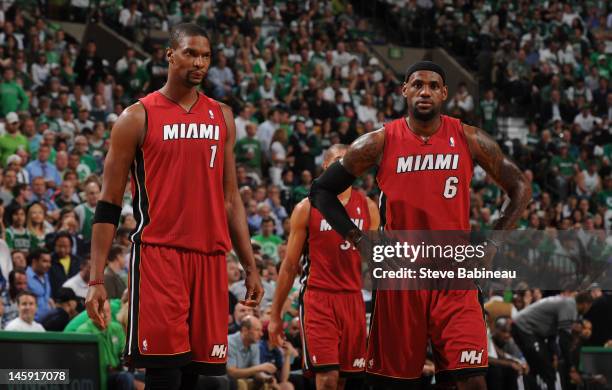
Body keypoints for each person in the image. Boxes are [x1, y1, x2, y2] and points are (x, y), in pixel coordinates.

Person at [309, 62, 532, 389]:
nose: (424, 91)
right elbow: (321, 190)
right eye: (417, 85)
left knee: (471, 381)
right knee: (395, 382)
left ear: (444, 93)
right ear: (404, 90)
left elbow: (520, 188)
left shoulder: (469, 137)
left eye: (432, 85)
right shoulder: (379, 141)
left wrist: (492, 245)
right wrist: (362, 242)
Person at [85, 23, 263, 389]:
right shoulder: (136, 117)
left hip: (211, 259)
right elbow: (107, 204)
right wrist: (96, 279)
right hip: (159, 257)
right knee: (163, 374)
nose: (199, 63)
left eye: (206, 56)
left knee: (200, 378)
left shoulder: (222, 116)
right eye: (190, 53)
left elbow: (231, 199)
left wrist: (250, 265)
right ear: (170, 55)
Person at [270, 144, 380, 390]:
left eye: (346, 164)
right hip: (318, 298)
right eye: (337, 164)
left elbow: (375, 264)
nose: (342, 169)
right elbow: (289, 266)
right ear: (325, 167)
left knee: (342, 379)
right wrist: (275, 315)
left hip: (352, 299)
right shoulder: (306, 208)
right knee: (327, 378)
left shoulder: (368, 207)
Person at [511, 291, 593, 390]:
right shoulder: (570, 306)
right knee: (546, 369)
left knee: (541, 367)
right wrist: (571, 368)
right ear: (585, 304)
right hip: (524, 328)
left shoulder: (567, 304)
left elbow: (552, 335)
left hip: (530, 331)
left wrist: (553, 354)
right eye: (589, 307)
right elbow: (564, 341)